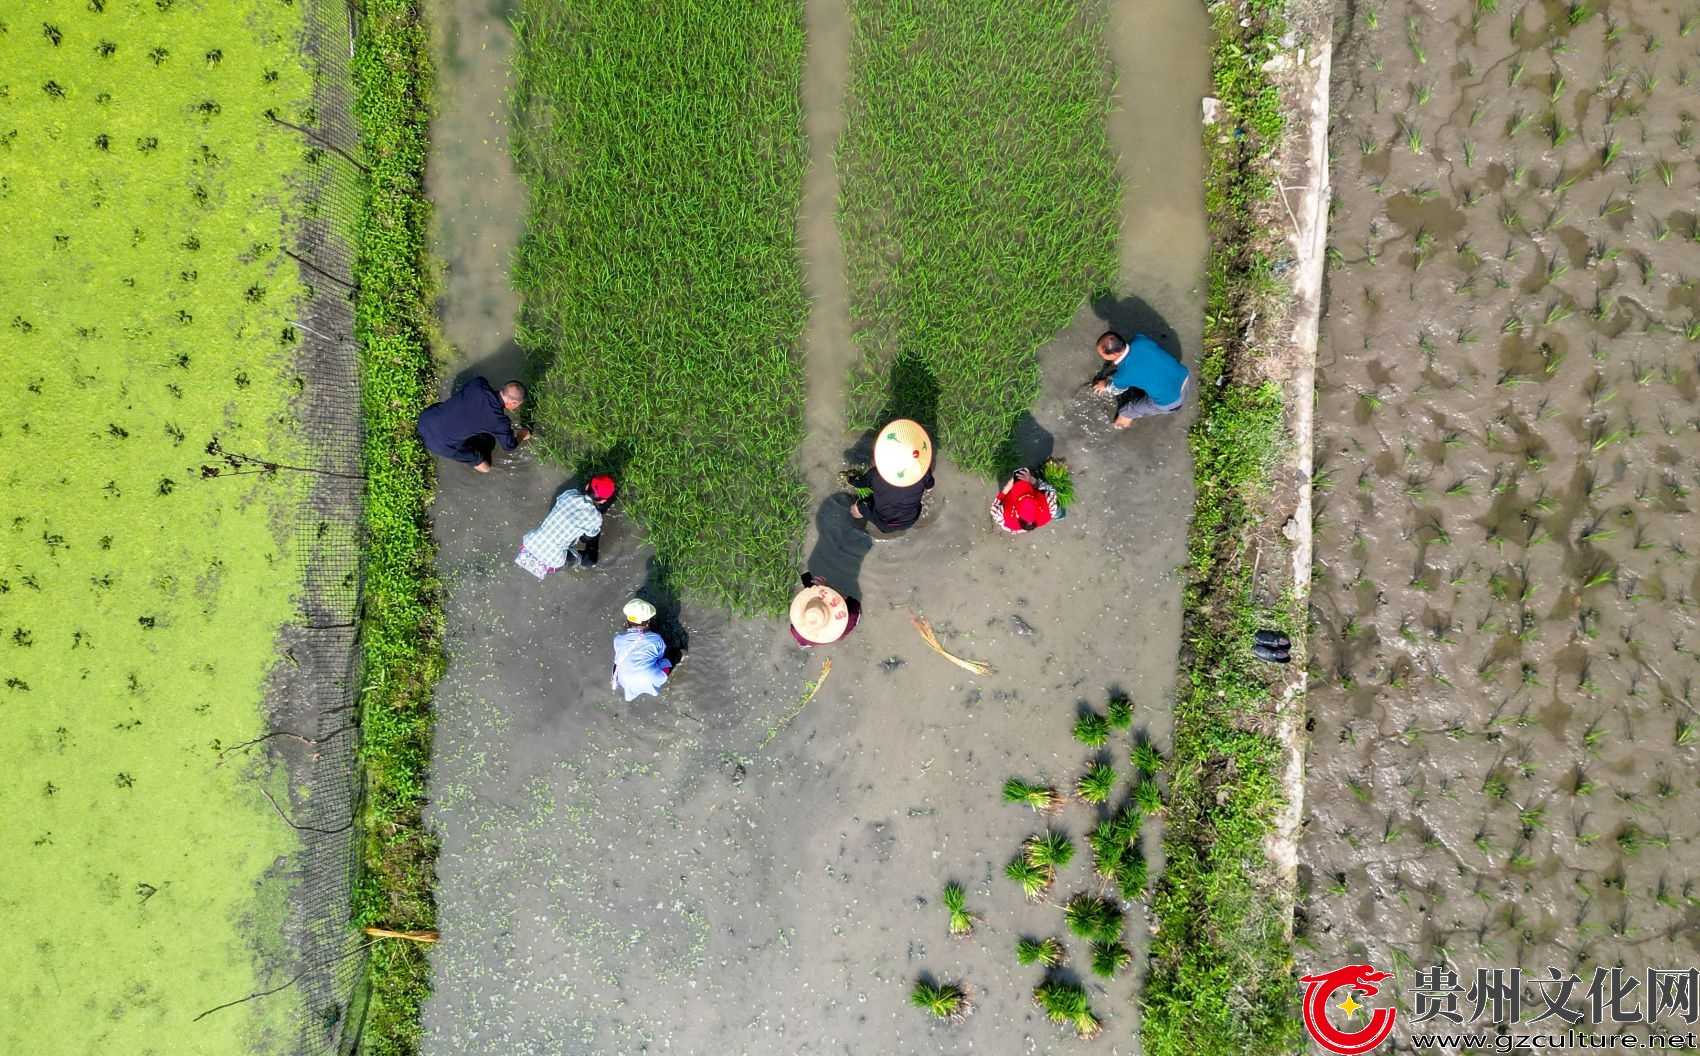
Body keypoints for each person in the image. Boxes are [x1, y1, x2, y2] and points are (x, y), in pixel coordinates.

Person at [416, 377, 531, 472]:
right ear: (513, 402)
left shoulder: (479, 383)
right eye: (518, 405)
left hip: (425, 419)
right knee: (486, 468)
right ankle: (474, 452)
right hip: (440, 444)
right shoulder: (500, 422)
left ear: (503, 388)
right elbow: (509, 446)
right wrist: (522, 434)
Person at [514, 475, 617, 579]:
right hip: (553, 559)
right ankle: (555, 566)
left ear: (587, 486)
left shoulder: (570, 494)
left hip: (530, 542)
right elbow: (585, 539)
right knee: (590, 560)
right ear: (603, 501)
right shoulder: (596, 518)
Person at [849, 418, 934, 533]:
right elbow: (930, 488)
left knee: (855, 508)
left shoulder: (875, 475)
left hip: (885, 524)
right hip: (911, 519)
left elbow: (859, 483)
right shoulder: (922, 470)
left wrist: (850, 478)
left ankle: (859, 518)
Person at [1092, 332, 1190, 429]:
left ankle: (1116, 430)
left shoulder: (1123, 374)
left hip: (1171, 401)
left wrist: (1105, 385)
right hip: (1184, 377)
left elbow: (1115, 390)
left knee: (1126, 412)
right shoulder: (1140, 340)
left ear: (1114, 354)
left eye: (1103, 355)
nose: (1102, 357)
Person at [611, 598, 683, 701]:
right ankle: (684, 654)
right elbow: (660, 656)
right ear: (648, 622)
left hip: (624, 680)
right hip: (650, 678)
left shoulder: (618, 638)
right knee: (675, 654)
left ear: (627, 621)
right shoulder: (656, 638)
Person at [788, 573, 860, 647]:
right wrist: (828, 588)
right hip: (842, 632)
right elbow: (851, 602)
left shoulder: (797, 632)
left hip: (809, 641)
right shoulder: (852, 614)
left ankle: (810, 645)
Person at [990, 467, 1060, 533]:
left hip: (1011, 527)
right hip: (1039, 517)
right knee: (1057, 508)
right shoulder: (1049, 507)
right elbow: (1052, 490)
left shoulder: (1004, 515)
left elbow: (994, 509)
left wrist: (1006, 489)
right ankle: (1059, 514)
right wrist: (1033, 481)